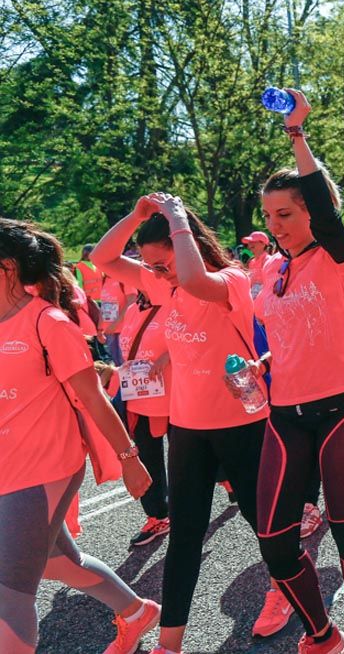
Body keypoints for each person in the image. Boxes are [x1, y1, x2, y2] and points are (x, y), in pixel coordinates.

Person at [227, 89, 344, 654]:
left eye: (286, 214)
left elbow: (322, 201)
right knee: (273, 540)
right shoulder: (272, 268)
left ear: (313, 212)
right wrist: (259, 365)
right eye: (270, 216)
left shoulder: (340, 257)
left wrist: (297, 131)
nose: (278, 224)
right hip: (284, 414)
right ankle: (323, 631)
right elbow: (288, 334)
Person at [91, 193, 273, 654]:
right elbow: (102, 257)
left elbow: (192, 275)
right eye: (150, 267)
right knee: (185, 537)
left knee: (265, 523)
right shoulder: (162, 285)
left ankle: (287, 591)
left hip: (241, 425)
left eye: (162, 263)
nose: (157, 273)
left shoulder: (230, 279)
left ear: (186, 242)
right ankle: (169, 644)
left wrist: (175, 216)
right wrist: (135, 216)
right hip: (188, 429)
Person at [0, 219, 158, 654]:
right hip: (6, 465)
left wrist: (130, 458)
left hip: (43, 467)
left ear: (7, 267)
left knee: (8, 589)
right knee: (56, 562)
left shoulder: (48, 322)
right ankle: (137, 611)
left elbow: (94, 398)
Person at [117, 289, 173, 547]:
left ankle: (224, 480)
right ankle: (158, 515)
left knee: (190, 460)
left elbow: (198, 339)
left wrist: (168, 355)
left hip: (177, 396)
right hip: (140, 397)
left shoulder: (175, 302)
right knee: (148, 458)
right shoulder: (132, 310)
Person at [242, 231, 274, 299]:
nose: (249, 245)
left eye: (253, 242)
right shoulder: (251, 262)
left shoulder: (268, 260)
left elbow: (270, 284)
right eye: (249, 242)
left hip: (264, 298)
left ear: (263, 244)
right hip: (253, 297)